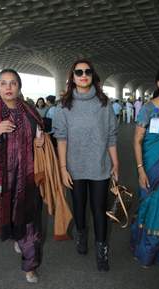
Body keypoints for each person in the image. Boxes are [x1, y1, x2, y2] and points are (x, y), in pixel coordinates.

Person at [0, 69, 44, 283]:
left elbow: (40, 133)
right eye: (3, 83)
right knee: (10, 218)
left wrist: (38, 142)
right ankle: (16, 235)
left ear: (19, 86)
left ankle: (29, 265)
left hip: (27, 177)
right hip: (2, 180)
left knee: (29, 222)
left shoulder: (30, 111)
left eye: (13, 83)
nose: (8, 87)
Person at [53, 59, 119, 272]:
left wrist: (115, 163)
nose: (83, 75)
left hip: (100, 166)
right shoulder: (64, 106)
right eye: (78, 72)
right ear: (72, 77)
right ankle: (81, 236)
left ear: (93, 76)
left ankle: (102, 251)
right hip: (74, 168)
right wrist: (63, 169)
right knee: (79, 208)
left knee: (99, 209)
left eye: (87, 71)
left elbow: (111, 136)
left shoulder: (104, 104)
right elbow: (61, 139)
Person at [131, 65, 159, 267]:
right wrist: (140, 169)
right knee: (149, 204)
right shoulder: (148, 109)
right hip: (151, 165)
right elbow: (136, 140)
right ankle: (145, 250)